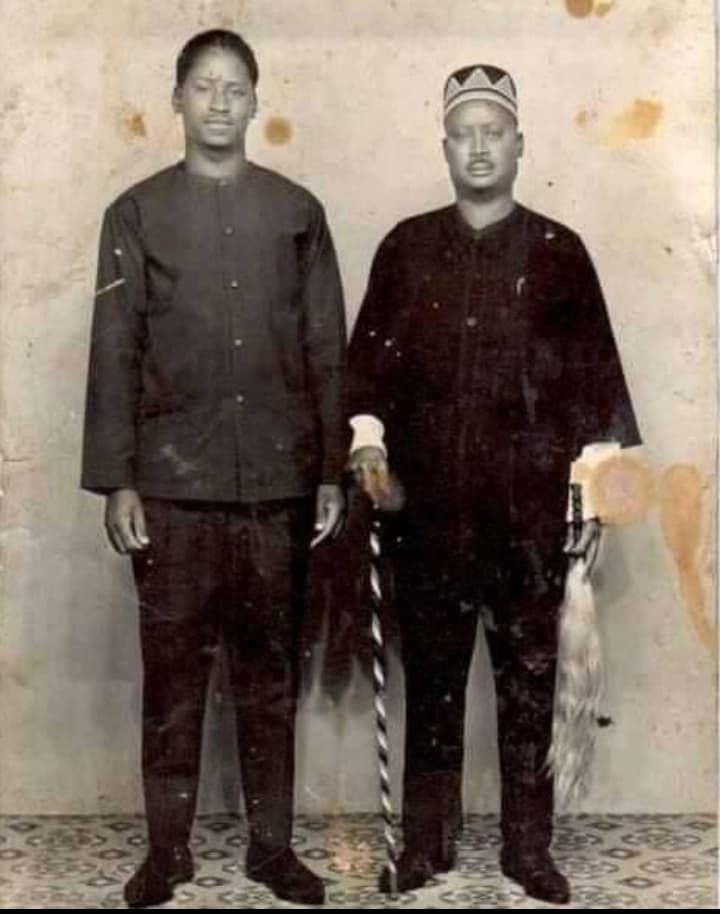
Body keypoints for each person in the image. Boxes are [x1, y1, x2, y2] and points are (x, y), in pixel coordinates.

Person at [347, 64, 641, 905]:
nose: (479, 148)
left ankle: (527, 849)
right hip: (429, 516)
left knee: (528, 684)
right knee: (433, 682)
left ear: (519, 145)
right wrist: (367, 442)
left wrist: (594, 498)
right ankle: (426, 844)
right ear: (445, 147)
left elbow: (597, 385)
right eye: (463, 135)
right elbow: (365, 375)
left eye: (494, 133)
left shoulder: (560, 253)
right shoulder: (405, 249)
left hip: (530, 516)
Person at [81, 29, 346, 908]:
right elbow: (115, 351)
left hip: (276, 487)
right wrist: (119, 480)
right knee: (173, 681)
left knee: (270, 681)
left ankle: (273, 851)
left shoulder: (298, 212)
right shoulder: (135, 214)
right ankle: (167, 853)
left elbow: (325, 348)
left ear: (256, 101)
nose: (221, 102)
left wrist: (329, 472)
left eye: (236, 88)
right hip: (171, 492)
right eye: (204, 86)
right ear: (177, 100)